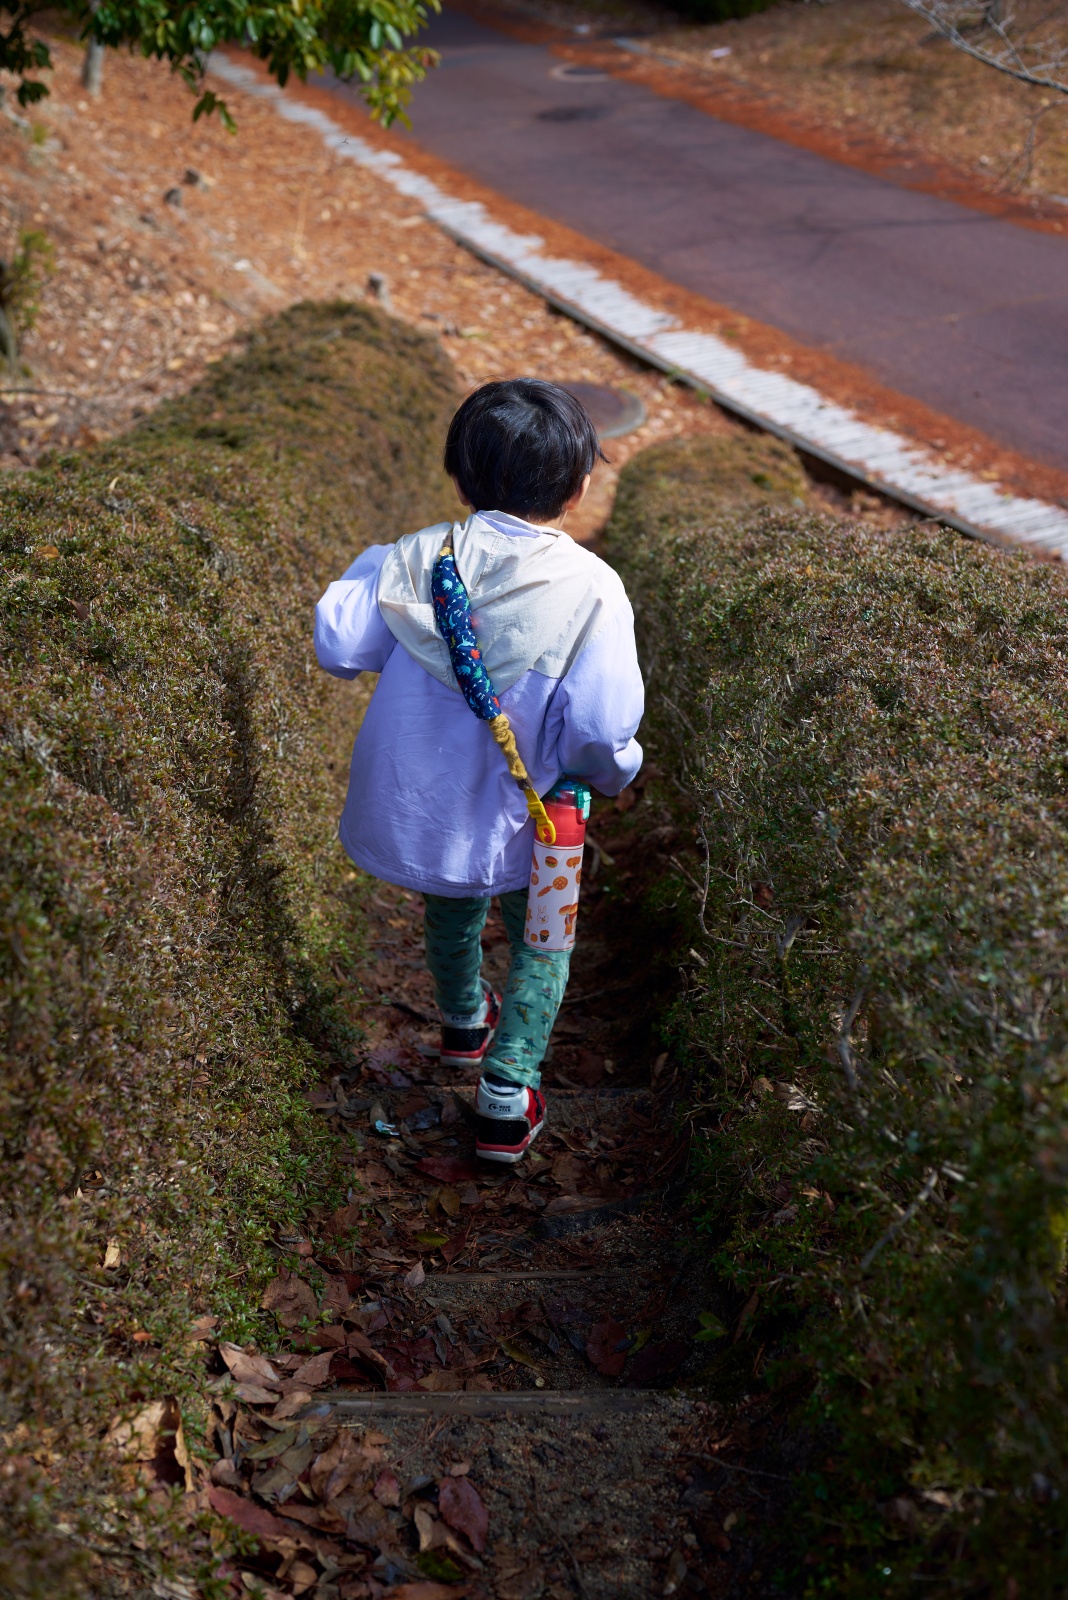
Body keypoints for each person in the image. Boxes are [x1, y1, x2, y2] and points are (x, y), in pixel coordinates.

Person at [314, 379, 644, 1161]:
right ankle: (507, 1087)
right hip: (542, 808)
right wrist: (613, 771)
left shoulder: (415, 558)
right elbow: (600, 728)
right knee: (542, 941)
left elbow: (339, 643)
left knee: (452, 900)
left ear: (461, 475)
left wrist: (382, 566)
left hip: (431, 802)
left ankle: (464, 1022)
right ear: (578, 486)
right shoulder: (593, 589)